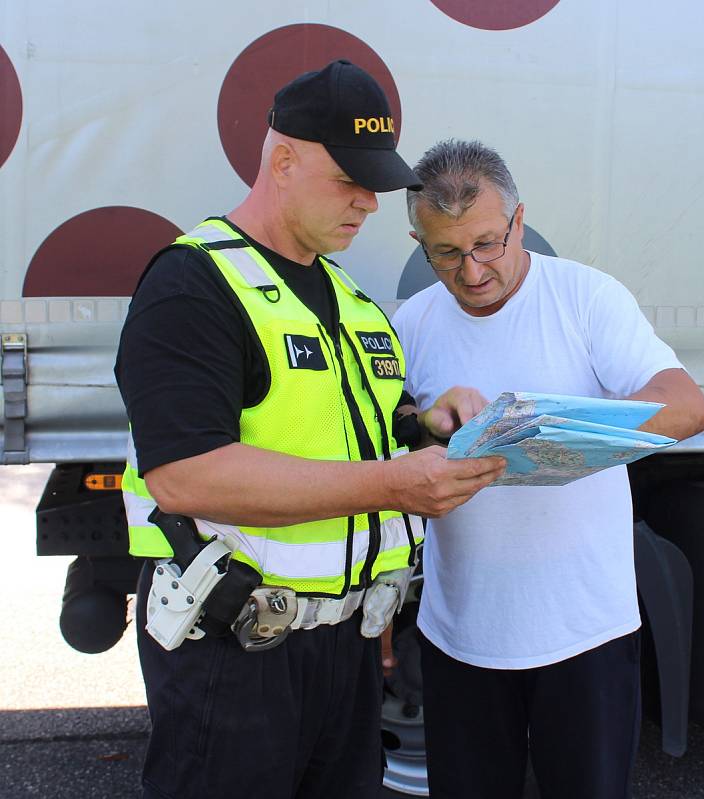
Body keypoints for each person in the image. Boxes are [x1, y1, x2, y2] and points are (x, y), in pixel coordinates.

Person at [114, 65, 505, 799]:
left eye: (376, 184)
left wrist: (429, 425)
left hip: (347, 649)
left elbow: (364, 434)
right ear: (283, 160)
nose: (366, 203)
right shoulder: (194, 284)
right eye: (348, 179)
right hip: (233, 648)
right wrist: (395, 482)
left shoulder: (355, 303)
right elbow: (185, 474)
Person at [390, 139, 704, 799]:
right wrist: (430, 428)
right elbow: (389, 454)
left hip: (585, 634)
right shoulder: (410, 323)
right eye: (445, 252)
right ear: (418, 238)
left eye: (488, 244)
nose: (472, 271)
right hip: (461, 638)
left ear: (518, 218)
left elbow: (685, 407)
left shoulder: (587, 298)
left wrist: (553, 434)